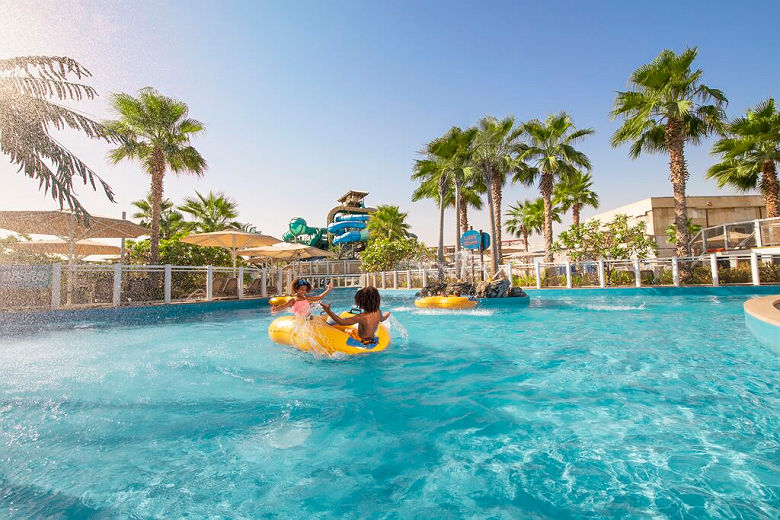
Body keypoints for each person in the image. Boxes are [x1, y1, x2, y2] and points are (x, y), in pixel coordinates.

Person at [321, 286, 390, 346]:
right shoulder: (378, 311)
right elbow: (382, 319)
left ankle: (327, 324)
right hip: (371, 339)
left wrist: (328, 311)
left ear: (362, 303)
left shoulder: (361, 317)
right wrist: (387, 314)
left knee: (343, 330)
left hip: (360, 340)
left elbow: (341, 322)